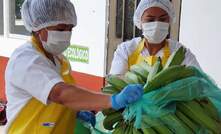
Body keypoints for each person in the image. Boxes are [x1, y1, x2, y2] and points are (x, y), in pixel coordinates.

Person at [4, 0, 143, 133]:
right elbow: (59, 93)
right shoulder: (26, 59)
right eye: (60, 28)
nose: (66, 34)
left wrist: (75, 111)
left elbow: (60, 99)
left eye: (70, 28)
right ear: (39, 28)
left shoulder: (59, 59)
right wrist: (113, 100)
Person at [110, 0, 201, 75]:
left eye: (162, 19)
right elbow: (116, 81)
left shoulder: (180, 52)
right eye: (150, 20)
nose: (157, 24)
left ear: (169, 21)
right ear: (140, 22)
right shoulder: (126, 50)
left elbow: (200, 81)